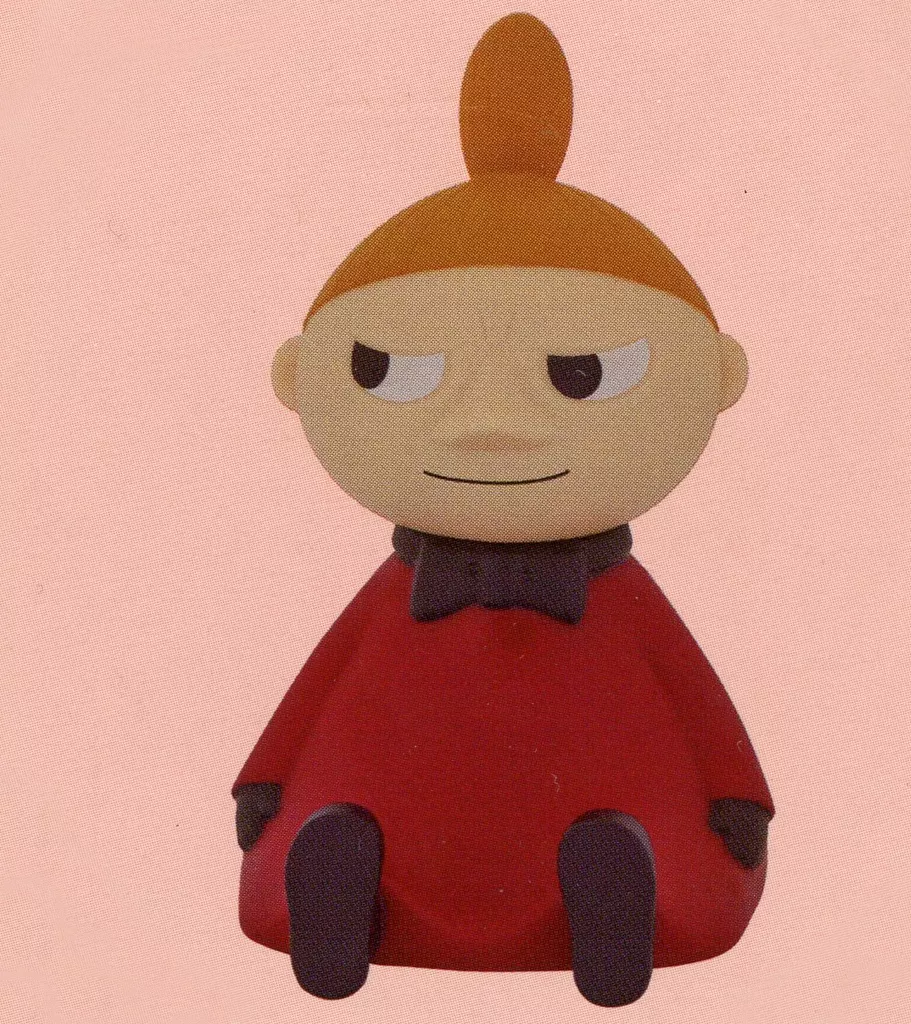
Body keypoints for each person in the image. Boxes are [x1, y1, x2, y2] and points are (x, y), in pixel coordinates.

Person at [232, 12, 775, 1008]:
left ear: (718, 377)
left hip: (590, 806)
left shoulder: (608, 603)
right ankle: (345, 871)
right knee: (331, 828)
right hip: (450, 811)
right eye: (391, 372)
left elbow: (695, 697)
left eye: (582, 375)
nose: (492, 428)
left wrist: (735, 794)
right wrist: (267, 780)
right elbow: (318, 683)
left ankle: (605, 885)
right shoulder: (404, 595)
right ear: (298, 379)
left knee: (647, 855)